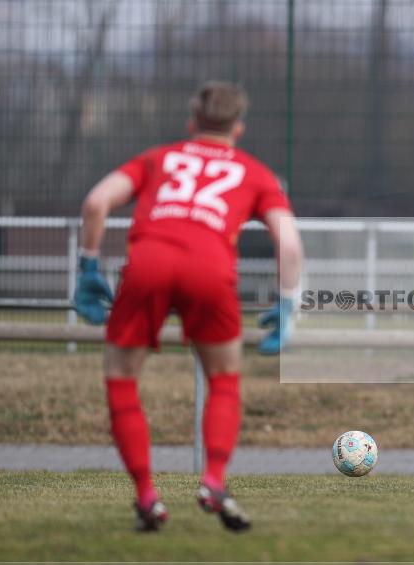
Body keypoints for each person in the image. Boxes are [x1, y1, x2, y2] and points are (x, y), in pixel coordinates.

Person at [74, 81, 303, 531]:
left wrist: (87, 267)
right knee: (224, 379)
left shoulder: (158, 158)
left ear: (191, 123)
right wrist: (289, 301)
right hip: (210, 271)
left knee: (122, 382)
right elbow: (289, 243)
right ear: (238, 128)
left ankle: (146, 498)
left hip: (148, 265)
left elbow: (96, 202)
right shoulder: (256, 172)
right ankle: (213, 480)